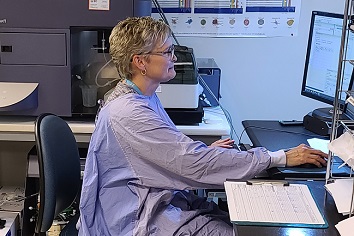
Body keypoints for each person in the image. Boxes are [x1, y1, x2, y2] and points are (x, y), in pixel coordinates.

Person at [78, 16, 327, 236]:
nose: (174, 58)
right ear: (140, 62)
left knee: (237, 219)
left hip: (155, 200)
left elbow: (170, 153)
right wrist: (277, 158)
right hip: (136, 219)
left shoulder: (140, 96)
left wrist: (206, 153)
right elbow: (190, 163)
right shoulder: (129, 112)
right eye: (167, 52)